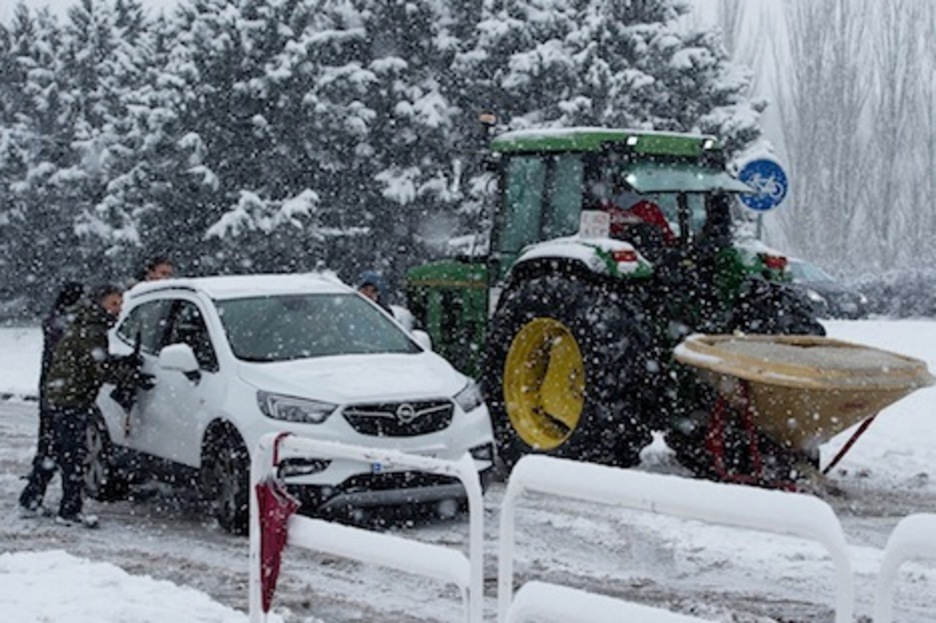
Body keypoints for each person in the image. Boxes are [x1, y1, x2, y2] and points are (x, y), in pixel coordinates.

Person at [19, 283, 148, 528]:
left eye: (120, 304)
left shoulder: (85, 322)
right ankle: (69, 511)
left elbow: (92, 359)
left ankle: (31, 500)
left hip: (59, 395)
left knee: (54, 451)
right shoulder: (92, 328)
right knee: (72, 455)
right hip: (71, 399)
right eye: (113, 304)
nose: (118, 310)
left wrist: (120, 363)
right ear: (100, 303)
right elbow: (98, 365)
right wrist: (128, 373)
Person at [17, 281, 84, 518]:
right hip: (60, 395)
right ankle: (46, 499)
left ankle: (33, 495)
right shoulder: (64, 326)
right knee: (64, 449)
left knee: (50, 447)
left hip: (52, 392)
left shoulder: (54, 321)